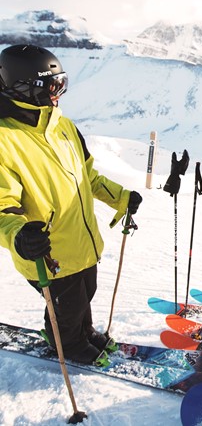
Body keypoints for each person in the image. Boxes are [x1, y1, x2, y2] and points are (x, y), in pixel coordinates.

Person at [0, 44, 143, 364]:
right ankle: (69, 344)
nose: (58, 92)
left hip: (80, 242)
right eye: (51, 85)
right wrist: (19, 236)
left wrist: (121, 197)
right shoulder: (4, 139)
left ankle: (83, 330)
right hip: (45, 249)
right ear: (23, 88)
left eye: (60, 83)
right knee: (67, 304)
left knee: (84, 293)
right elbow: (1, 209)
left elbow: (86, 177)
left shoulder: (63, 126)